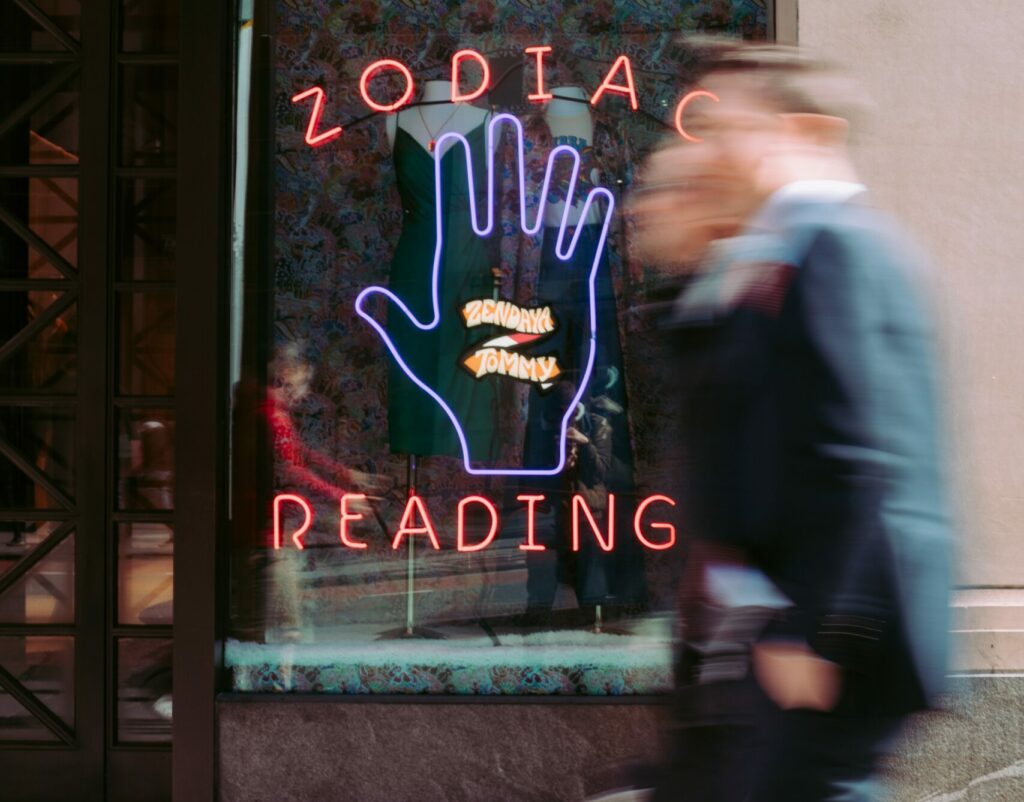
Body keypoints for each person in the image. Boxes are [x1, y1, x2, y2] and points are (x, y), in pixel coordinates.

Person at [631, 42, 952, 801]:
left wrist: (815, 635)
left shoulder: (836, 247)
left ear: (799, 129)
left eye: (732, 122)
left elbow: (861, 457)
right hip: (797, 636)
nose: (712, 141)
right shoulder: (790, 251)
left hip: (838, 644)